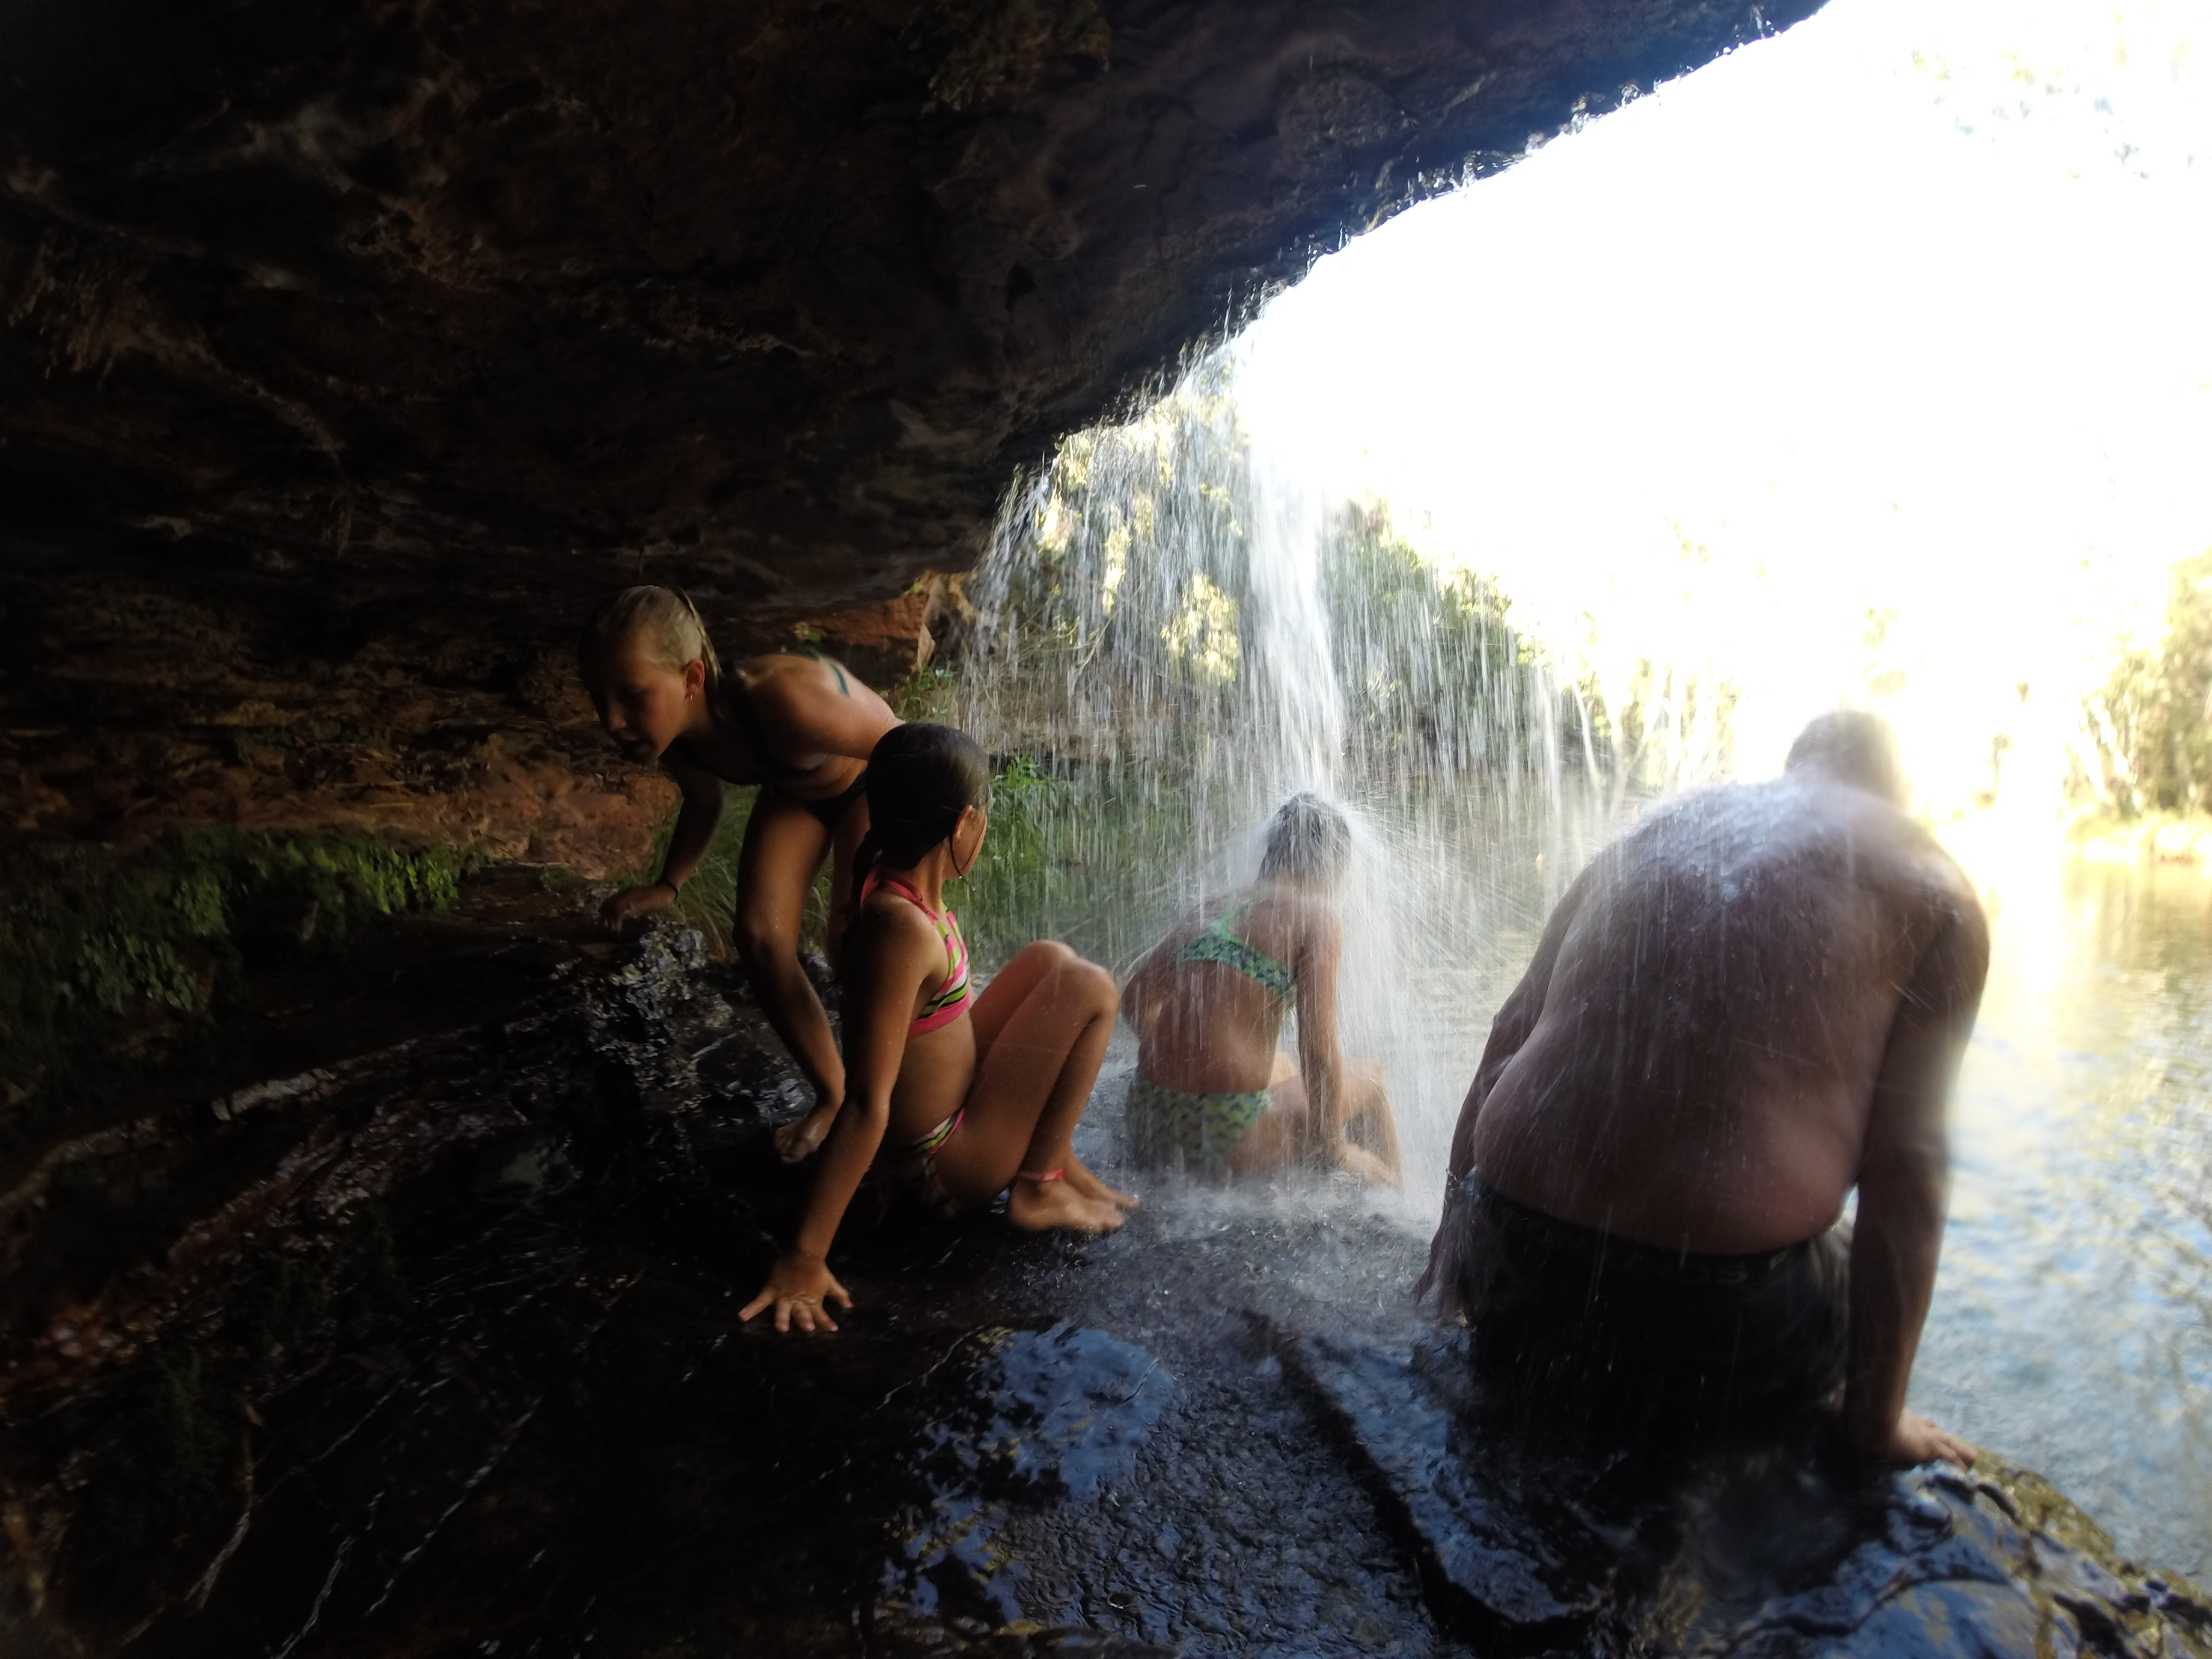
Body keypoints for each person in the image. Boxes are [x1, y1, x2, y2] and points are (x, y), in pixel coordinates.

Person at [1418, 712, 1987, 1467]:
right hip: (1709, 1325)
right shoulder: (1931, 883)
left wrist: (1450, 1252)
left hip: (1503, 1259)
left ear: (1794, 767)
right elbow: (1908, 1168)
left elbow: (1507, 1032)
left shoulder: (1657, 830)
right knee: (1849, 1263)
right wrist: (1875, 1427)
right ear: (1895, 790)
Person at [741, 723, 1139, 1334]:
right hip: (941, 1167)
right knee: (1091, 987)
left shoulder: (901, 891)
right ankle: (1037, 1187)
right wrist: (804, 1256)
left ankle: (1056, 1160)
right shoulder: (899, 927)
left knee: (1050, 959)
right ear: (964, 824)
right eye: (984, 817)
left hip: (950, 1113)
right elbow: (866, 1100)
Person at [578, 585, 900, 1164]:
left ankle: (884, 1107)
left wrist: (922, 845)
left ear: (692, 678)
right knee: (758, 937)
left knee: (852, 942)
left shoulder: (782, 695)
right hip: (797, 791)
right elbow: (704, 803)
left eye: (631, 695)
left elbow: (900, 745)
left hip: (874, 779)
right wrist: (668, 885)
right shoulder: (678, 740)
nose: (613, 721)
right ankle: (835, 1096)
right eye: (599, 699)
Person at [1122, 793, 1403, 1184]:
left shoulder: (1211, 907)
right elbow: (1319, 1050)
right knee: (1370, 1077)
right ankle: (1399, 1205)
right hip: (1224, 1135)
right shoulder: (1316, 919)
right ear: (1332, 864)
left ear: (1272, 851)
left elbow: (1134, 1000)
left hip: (1149, 1117)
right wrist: (1334, 1148)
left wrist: (1183, 1066)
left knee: (1282, 1065)